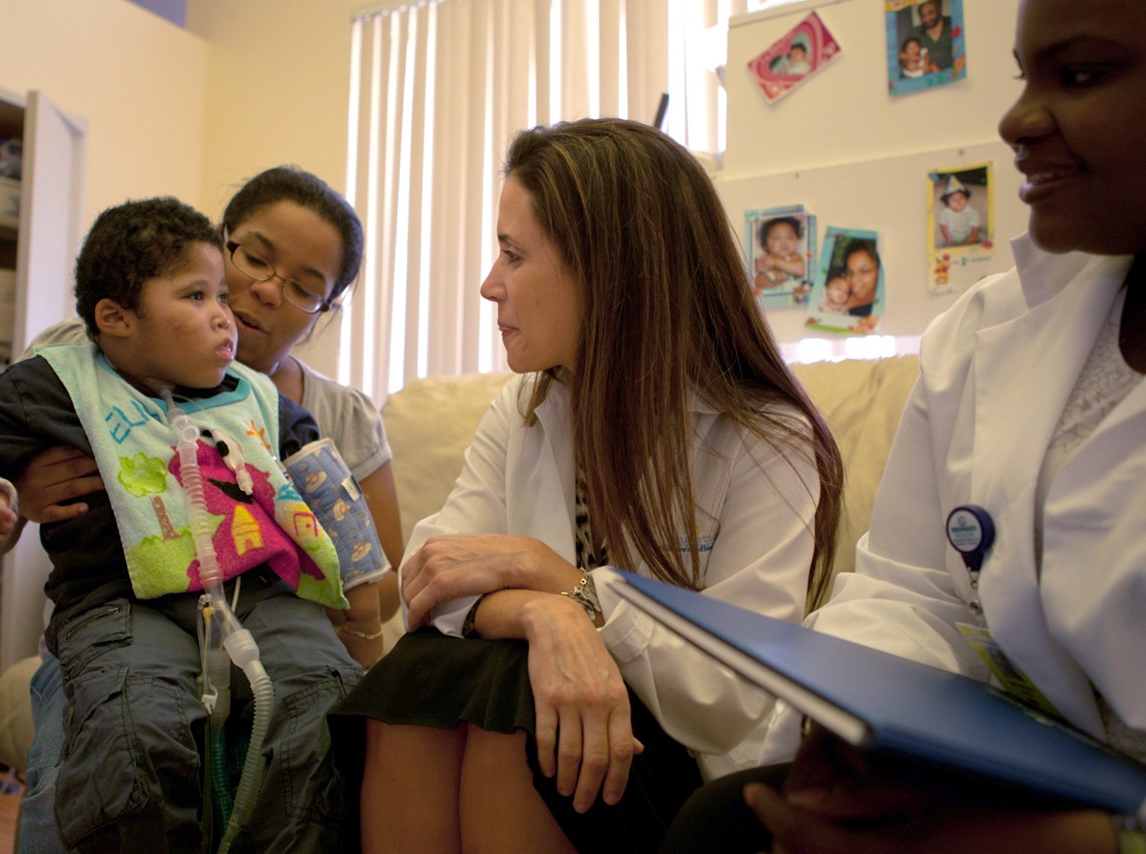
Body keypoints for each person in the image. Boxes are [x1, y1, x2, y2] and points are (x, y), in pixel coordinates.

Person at [665, 0, 1146, 850]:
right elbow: (910, 589)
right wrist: (853, 726)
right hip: (1019, 768)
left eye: (1080, 75)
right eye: (1023, 76)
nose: (1017, 119)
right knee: (727, 824)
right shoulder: (982, 335)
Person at [331, 117, 844, 853]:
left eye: (513, 254)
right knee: (433, 672)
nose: (489, 284)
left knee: (516, 695)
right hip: (547, 726)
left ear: (610, 270)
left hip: (674, 765)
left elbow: (731, 692)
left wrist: (566, 586)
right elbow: (432, 573)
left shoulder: (765, 438)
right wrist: (551, 617)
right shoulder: (529, 405)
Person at [0, 197, 370, 851]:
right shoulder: (57, 383)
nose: (228, 312)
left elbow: (328, 489)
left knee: (322, 704)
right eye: (202, 294)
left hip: (268, 602)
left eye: (305, 286)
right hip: (118, 605)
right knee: (133, 724)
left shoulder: (262, 400)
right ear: (116, 318)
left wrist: (365, 569)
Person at [753, 216, 808, 295]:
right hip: (768, 294)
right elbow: (750, 270)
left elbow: (801, 270)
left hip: (790, 292)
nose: (783, 242)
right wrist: (757, 266)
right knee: (758, 280)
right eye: (776, 238)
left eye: (789, 237)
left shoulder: (794, 256)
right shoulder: (765, 257)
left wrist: (776, 261)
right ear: (765, 243)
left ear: (797, 240)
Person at [840, 239, 881, 317]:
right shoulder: (840, 292)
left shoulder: (875, 314)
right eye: (850, 272)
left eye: (864, 271)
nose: (854, 281)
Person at [938, 175, 981, 246]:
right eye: (954, 199)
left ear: (967, 200)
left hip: (968, 238)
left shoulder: (971, 212)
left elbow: (975, 226)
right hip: (951, 240)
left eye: (961, 198)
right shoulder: (945, 213)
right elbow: (943, 226)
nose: (958, 201)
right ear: (947, 203)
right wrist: (948, 237)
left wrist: (972, 237)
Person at [915, 0, 955, 72]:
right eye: (923, 15)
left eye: (931, 13)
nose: (927, 19)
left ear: (939, 10)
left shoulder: (953, 23)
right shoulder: (915, 33)